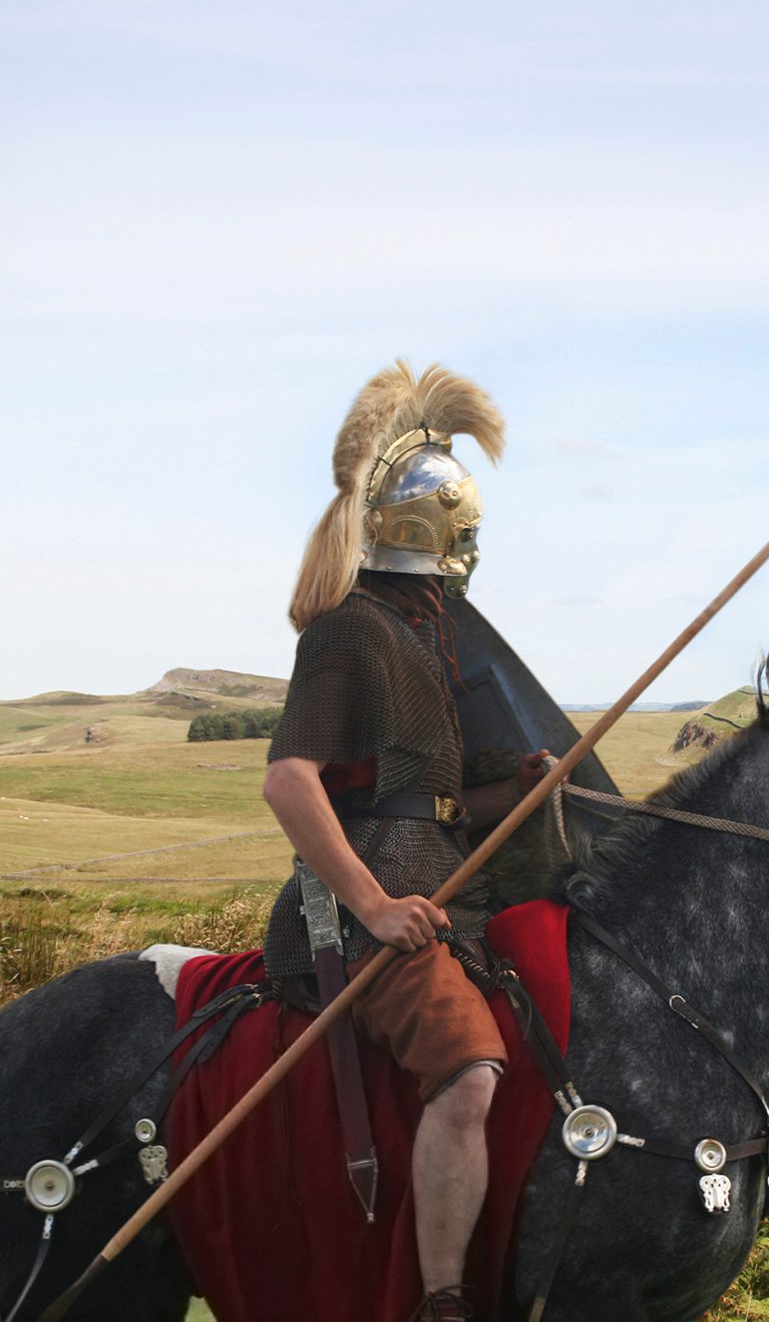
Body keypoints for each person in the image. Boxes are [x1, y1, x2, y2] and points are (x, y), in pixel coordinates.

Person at [260, 360, 546, 1322]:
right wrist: (375, 906)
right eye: (463, 531)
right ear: (427, 536)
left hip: (448, 896)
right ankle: (442, 1300)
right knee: (468, 1072)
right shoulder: (348, 631)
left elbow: (426, 802)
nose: (471, 547)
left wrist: (516, 788)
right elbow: (290, 780)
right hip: (367, 919)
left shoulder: (423, 640)